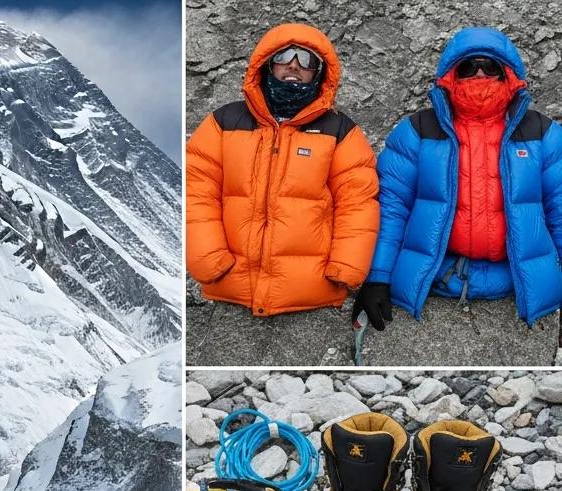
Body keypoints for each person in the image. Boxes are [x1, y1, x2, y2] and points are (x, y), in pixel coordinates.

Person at [354, 27, 562, 330]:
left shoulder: (543, 133)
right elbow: (391, 208)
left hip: (523, 282)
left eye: (490, 66)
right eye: (468, 66)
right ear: (452, 75)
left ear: (508, 74)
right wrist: (379, 277)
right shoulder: (417, 130)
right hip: (435, 275)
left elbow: (560, 208)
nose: (479, 74)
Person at [186, 23, 379, 316]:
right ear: (266, 64)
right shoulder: (224, 122)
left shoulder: (340, 130)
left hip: (313, 295)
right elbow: (195, 191)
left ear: (319, 72)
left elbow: (357, 203)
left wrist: (346, 269)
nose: (294, 64)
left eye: (307, 59)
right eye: (285, 55)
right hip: (231, 290)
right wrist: (209, 260)